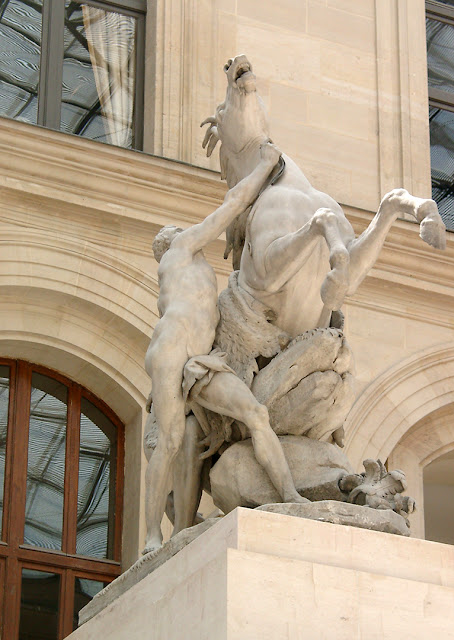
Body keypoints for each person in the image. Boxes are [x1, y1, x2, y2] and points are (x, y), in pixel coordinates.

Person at [144, 142, 307, 554]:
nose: (188, 233)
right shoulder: (180, 253)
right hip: (170, 353)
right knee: (170, 441)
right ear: (170, 243)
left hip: (200, 363)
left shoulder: (198, 271)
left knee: (255, 412)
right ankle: (151, 537)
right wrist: (266, 165)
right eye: (179, 232)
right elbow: (230, 207)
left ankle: (290, 494)